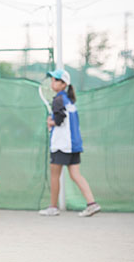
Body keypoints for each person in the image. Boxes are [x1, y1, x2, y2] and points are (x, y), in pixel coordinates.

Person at [39, 69, 101, 217]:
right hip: (74, 144)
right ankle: (92, 203)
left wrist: (50, 122)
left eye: (56, 80)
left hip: (62, 145)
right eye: (53, 79)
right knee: (75, 174)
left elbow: (59, 121)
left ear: (64, 84)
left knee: (55, 175)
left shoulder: (58, 100)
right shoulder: (68, 100)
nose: (52, 82)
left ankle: (53, 207)